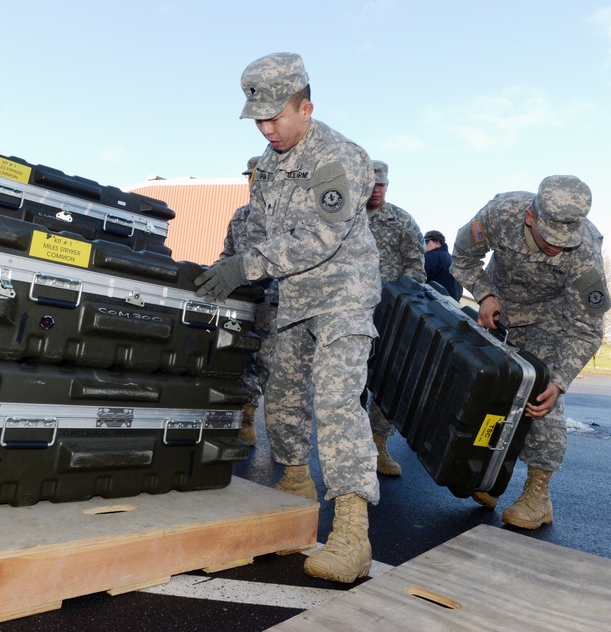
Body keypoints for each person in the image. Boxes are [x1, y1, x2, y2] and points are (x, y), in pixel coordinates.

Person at [195, 52, 381, 584]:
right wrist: (227, 270)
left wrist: (246, 266)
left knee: (338, 400)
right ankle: (297, 479)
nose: (267, 128)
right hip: (292, 296)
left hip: (343, 291)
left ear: (307, 107)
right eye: (258, 118)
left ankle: (352, 528)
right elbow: (259, 229)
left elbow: (322, 237)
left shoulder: (337, 157)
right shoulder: (269, 165)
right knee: (281, 392)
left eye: (277, 116)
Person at [451, 176, 611, 530]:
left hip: (550, 320)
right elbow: (462, 258)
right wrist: (484, 293)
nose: (557, 248)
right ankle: (490, 478)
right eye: (549, 238)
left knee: (541, 396)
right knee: (492, 394)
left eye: (564, 241)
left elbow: (588, 327)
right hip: (498, 311)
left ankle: (538, 495)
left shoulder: (584, 251)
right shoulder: (500, 213)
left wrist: (561, 381)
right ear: (529, 217)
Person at [363, 160, 425, 477]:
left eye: (382, 184)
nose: (377, 189)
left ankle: (378, 445)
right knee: (349, 383)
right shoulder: (345, 218)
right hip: (350, 314)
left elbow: (416, 269)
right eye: (372, 183)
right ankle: (351, 447)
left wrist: (402, 305)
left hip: (389, 316)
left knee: (387, 382)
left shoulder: (401, 221)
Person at [217, 156, 273, 446]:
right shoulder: (239, 215)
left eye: (260, 176)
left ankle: (272, 430)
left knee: (266, 364)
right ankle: (245, 419)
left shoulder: (285, 216)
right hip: (240, 302)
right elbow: (227, 254)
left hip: (272, 302)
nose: (254, 182)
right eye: (250, 177)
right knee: (239, 359)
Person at [423, 230, 463, 301]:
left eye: (426, 242)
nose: (423, 245)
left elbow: (417, 276)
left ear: (437, 243)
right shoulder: (454, 262)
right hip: (450, 307)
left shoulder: (432, 256)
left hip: (430, 302)